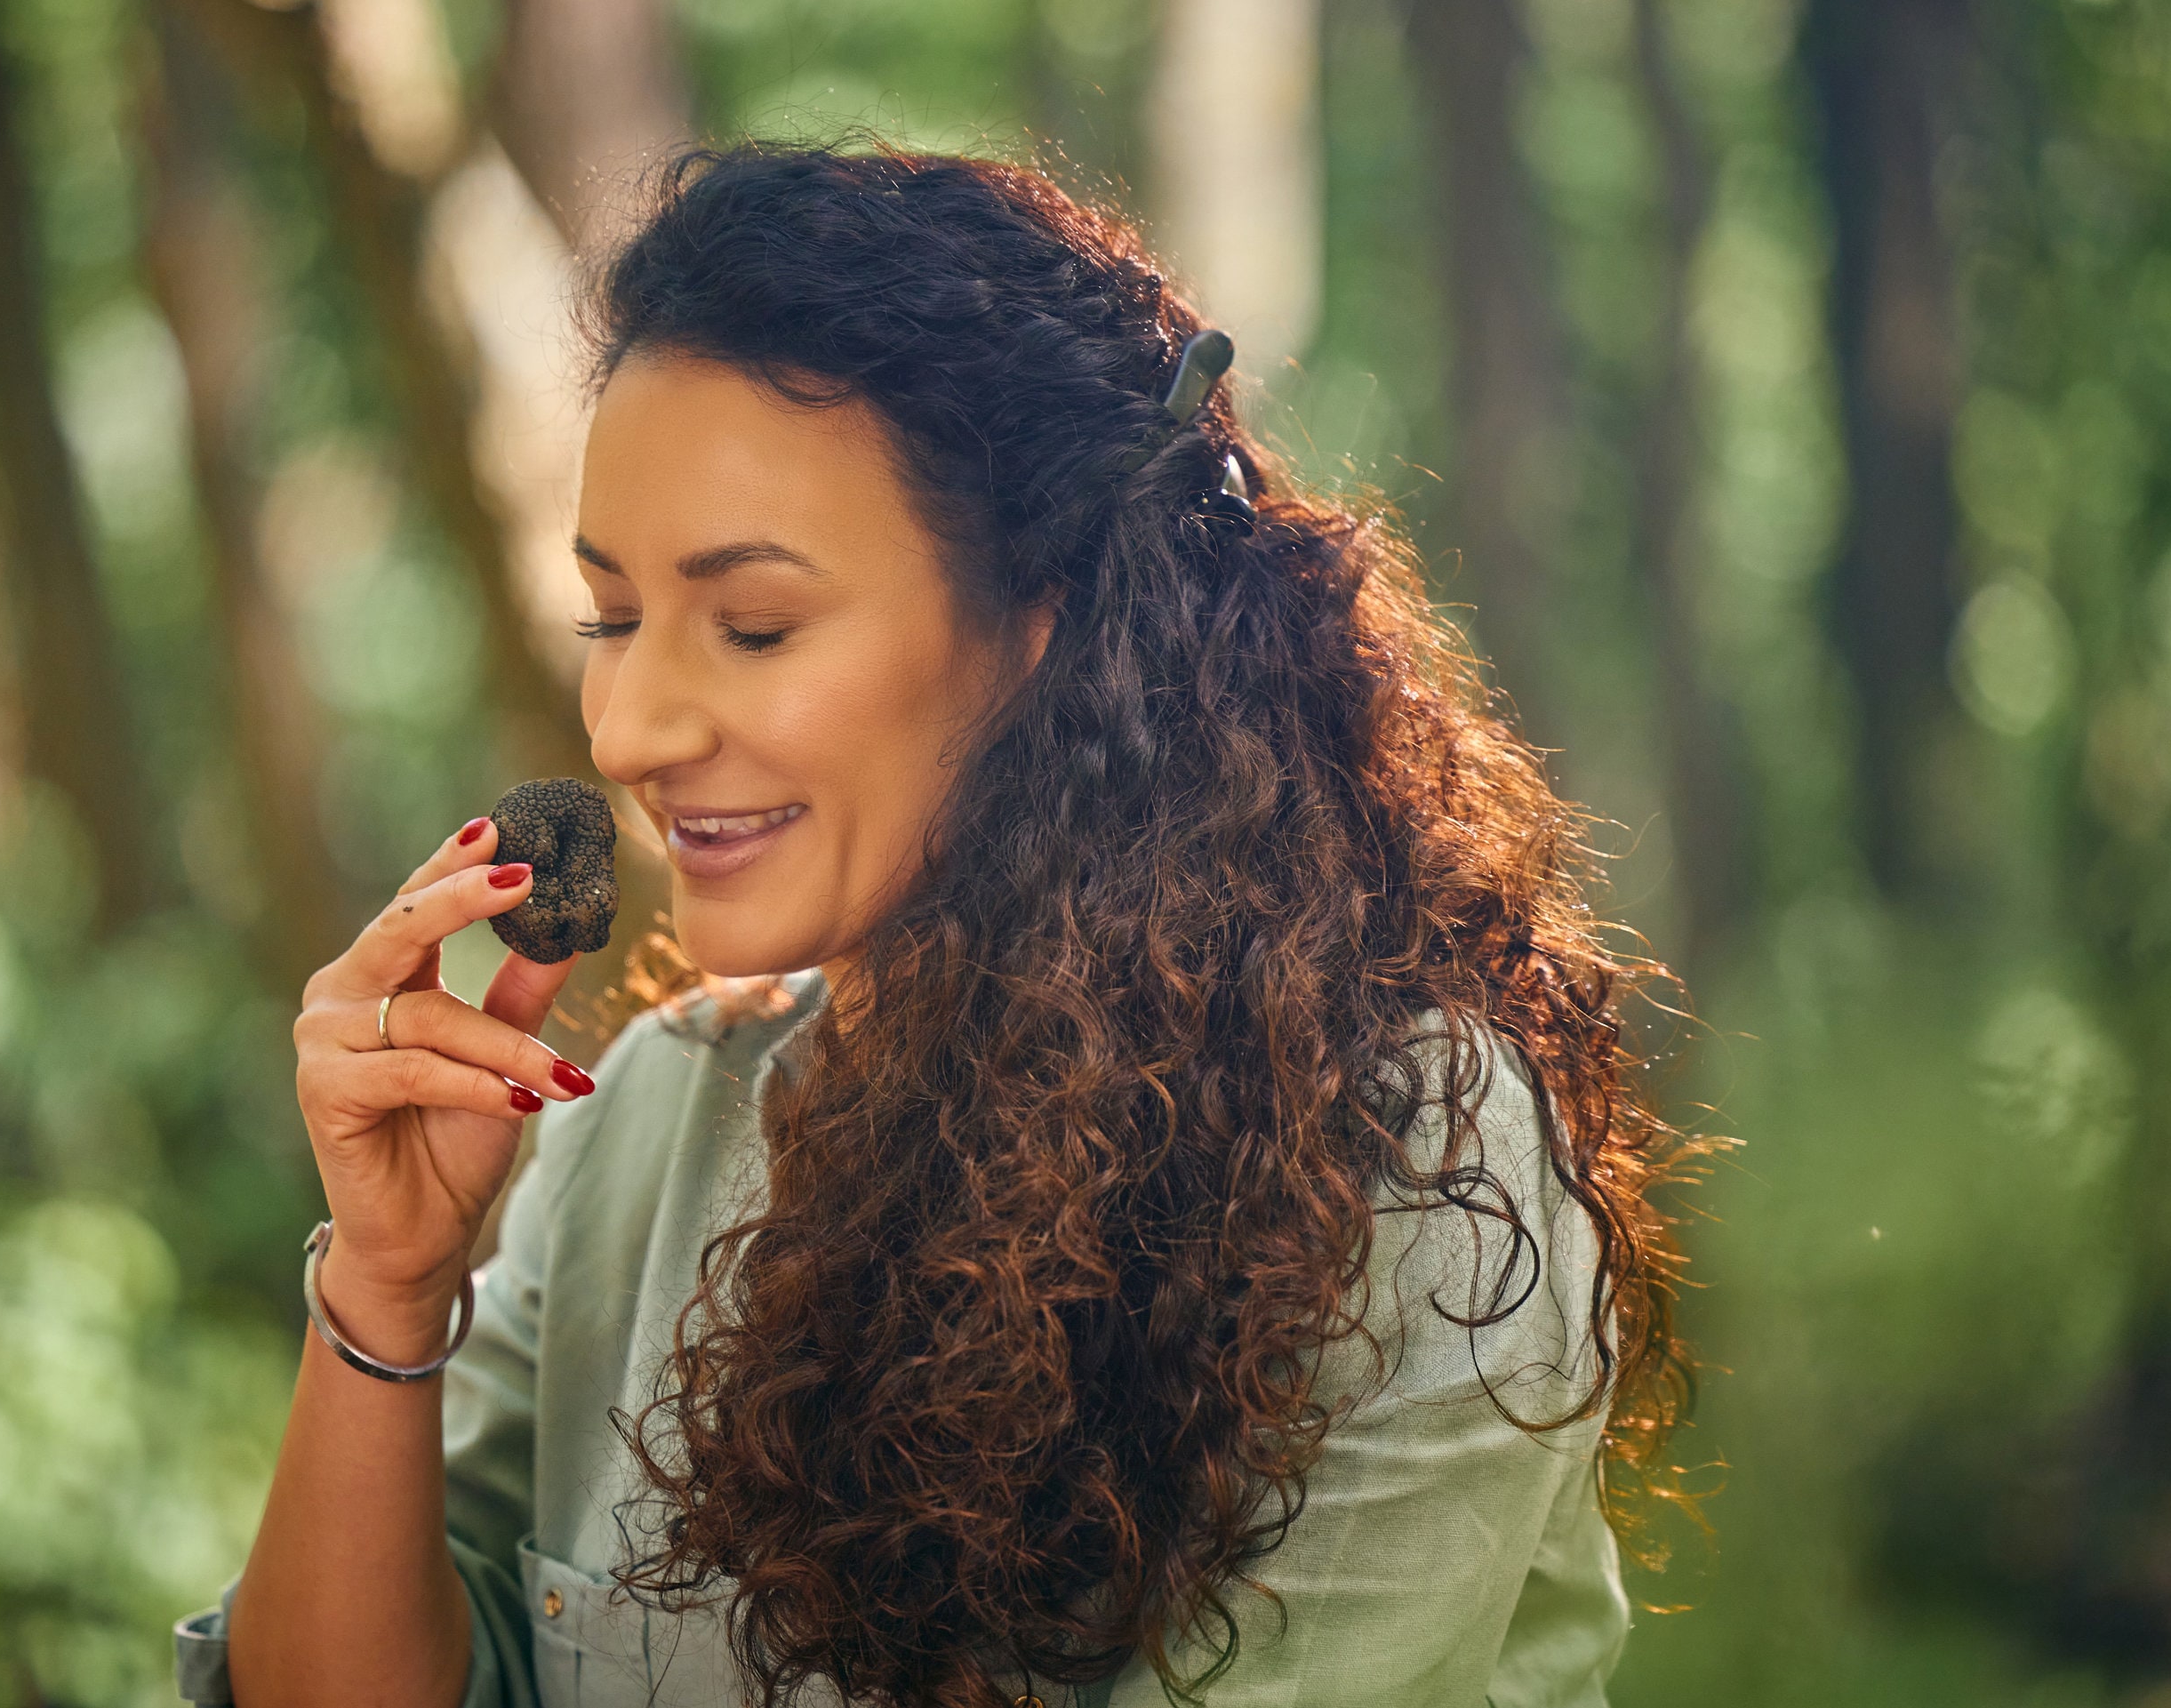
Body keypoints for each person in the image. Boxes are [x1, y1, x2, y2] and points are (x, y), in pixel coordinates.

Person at [174, 145, 1694, 1708]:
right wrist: (386, 1284)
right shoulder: (637, 1124)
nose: (627, 730)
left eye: (752, 625)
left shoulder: (1402, 1164)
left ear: (1043, 629)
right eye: (612, 619)